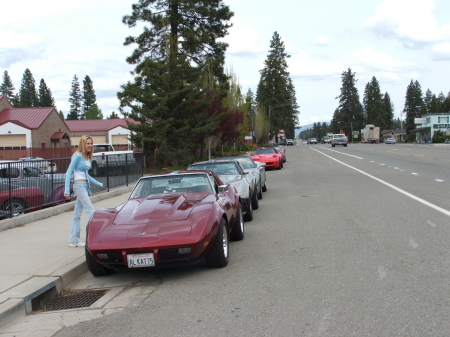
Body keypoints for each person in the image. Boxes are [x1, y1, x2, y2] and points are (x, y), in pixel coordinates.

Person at [64, 135, 103, 247]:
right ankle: (97, 237)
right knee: (91, 211)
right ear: (83, 144)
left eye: (91, 143)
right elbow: (68, 173)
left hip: (85, 186)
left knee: (77, 214)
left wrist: (98, 183)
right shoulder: (77, 156)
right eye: (88, 143)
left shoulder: (87, 157)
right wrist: (66, 190)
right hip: (79, 186)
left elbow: (87, 175)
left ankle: (74, 240)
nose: (90, 145)